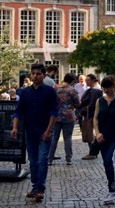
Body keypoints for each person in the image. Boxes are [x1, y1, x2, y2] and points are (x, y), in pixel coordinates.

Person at [12, 63, 58, 203]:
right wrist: (15, 127)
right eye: (33, 73)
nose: (35, 76)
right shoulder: (25, 92)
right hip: (30, 131)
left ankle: (40, 189)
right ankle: (35, 187)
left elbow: (53, 112)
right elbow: (18, 111)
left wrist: (49, 130)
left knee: (42, 160)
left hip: (44, 131)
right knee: (33, 161)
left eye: (38, 74)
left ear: (44, 75)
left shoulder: (50, 91)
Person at [93, 76, 115, 203]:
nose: (106, 90)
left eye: (108, 87)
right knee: (106, 163)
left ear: (113, 86)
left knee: (108, 161)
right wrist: (97, 133)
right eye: (104, 88)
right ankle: (111, 191)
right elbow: (95, 118)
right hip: (103, 138)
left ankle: (112, 191)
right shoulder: (99, 101)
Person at [48, 73, 80, 166]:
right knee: (68, 138)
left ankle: (49, 159)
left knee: (54, 138)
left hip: (56, 116)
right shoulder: (72, 90)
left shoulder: (56, 89)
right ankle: (68, 159)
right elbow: (77, 103)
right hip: (68, 116)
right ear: (72, 81)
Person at [79, 74, 103, 160]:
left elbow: (92, 105)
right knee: (91, 135)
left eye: (88, 80)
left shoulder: (95, 90)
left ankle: (93, 152)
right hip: (90, 114)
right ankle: (93, 152)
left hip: (92, 115)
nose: (86, 82)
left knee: (91, 135)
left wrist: (84, 111)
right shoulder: (92, 90)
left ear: (93, 80)